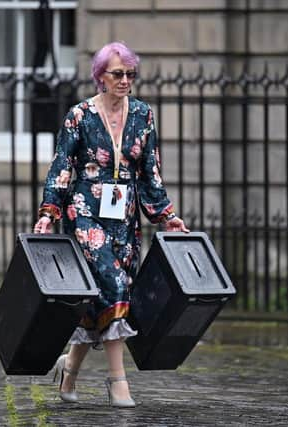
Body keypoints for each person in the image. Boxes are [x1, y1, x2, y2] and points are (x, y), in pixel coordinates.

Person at [33, 41, 189, 407]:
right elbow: (61, 168)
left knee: (98, 299)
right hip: (85, 211)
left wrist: (166, 216)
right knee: (115, 284)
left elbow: (150, 172)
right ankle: (118, 381)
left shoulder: (142, 115)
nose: (125, 80)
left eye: (130, 74)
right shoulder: (79, 116)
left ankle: (67, 372)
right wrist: (48, 212)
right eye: (118, 74)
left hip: (125, 217)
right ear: (100, 76)